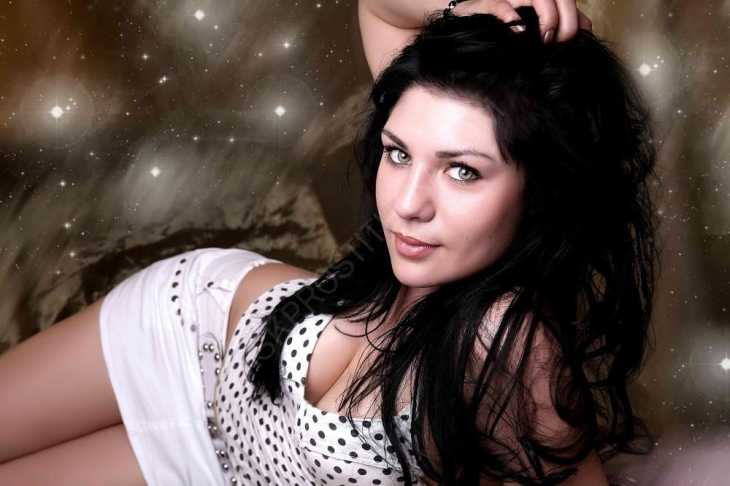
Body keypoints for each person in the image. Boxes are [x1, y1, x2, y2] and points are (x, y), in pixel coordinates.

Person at [0, 1, 659, 485]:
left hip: (213, 467)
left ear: (545, 189)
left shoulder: (511, 343)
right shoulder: (432, 116)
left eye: (462, 171)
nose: (407, 203)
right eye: (398, 154)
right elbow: (382, 5)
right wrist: (465, 8)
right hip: (190, 329)